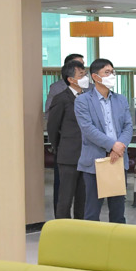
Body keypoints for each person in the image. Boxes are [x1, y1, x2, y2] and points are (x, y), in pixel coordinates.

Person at [74, 58, 134, 223]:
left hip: (118, 159)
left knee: (118, 211)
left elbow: (128, 126)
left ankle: (117, 239)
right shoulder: (82, 100)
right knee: (92, 211)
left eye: (112, 72)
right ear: (95, 77)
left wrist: (119, 147)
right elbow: (88, 129)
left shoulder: (121, 99)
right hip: (95, 161)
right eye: (107, 72)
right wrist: (112, 145)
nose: (111, 75)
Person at [45, 61, 88, 219]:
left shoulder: (87, 97)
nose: (85, 77)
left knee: (83, 197)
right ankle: (63, 228)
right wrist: (60, 147)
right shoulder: (61, 98)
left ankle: (80, 227)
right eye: (81, 75)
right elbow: (53, 127)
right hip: (68, 155)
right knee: (66, 198)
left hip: (86, 155)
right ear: (71, 79)